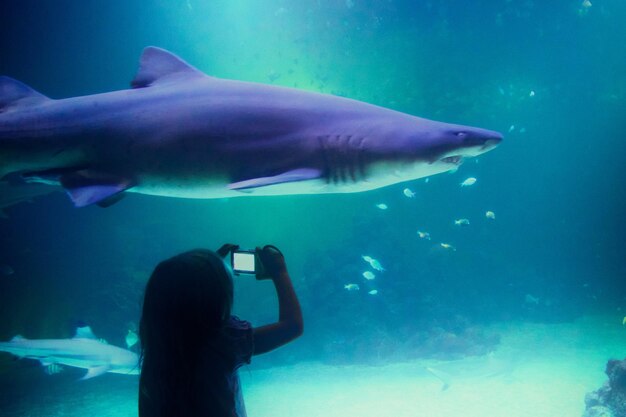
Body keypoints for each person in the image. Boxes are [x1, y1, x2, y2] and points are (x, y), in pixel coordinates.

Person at [138, 244, 303, 417]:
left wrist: (204, 273)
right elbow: (292, 326)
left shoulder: (156, 337)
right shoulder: (222, 341)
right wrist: (280, 272)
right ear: (219, 298)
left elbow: (181, 293)